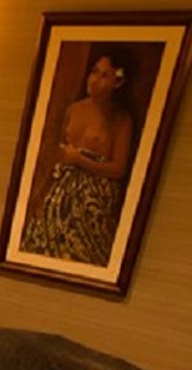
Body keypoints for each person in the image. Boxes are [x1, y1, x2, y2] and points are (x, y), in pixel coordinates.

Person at [19, 46, 138, 266]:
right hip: (63, 185)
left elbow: (118, 168)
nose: (95, 80)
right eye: (94, 72)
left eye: (105, 75)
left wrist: (80, 159)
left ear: (118, 82)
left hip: (93, 195)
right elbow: (59, 152)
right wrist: (42, 190)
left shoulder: (121, 120)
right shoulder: (74, 109)